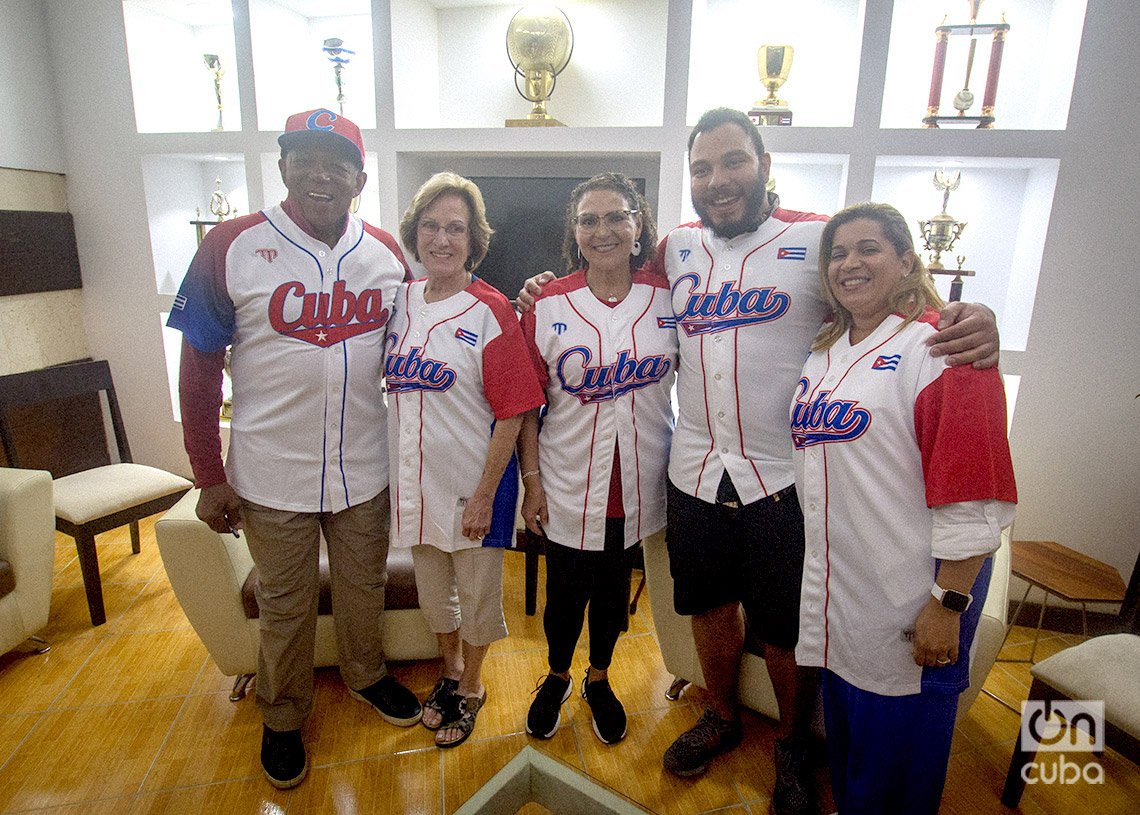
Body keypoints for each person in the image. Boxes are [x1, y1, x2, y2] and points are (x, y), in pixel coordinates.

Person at [518, 107, 1000, 813]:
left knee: (783, 626)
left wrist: (965, 316)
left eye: (733, 162)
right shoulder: (676, 249)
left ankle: (794, 746)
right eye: (704, 168)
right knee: (708, 607)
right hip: (693, 467)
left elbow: (883, 297)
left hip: (786, 476)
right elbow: (607, 269)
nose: (719, 180)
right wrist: (538, 290)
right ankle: (720, 714)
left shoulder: (816, 239)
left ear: (764, 164)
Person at [168, 108, 422, 790]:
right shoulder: (232, 243)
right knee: (285, 601)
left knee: (363, 585)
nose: (319, 173)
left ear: (359, 178)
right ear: (282, 167)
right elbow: (198, 366)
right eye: (303, 158)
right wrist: (207, 474)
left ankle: (367, 676)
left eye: (335, 162)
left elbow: (428, 337)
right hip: (270, 471)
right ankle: (282, 713)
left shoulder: (385, 255)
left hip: (363, 465)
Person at [792, 202, 1016, 813]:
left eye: (868, 249)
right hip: (845, 594)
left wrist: (949, 603)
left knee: (899, 770)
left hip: (914, 596)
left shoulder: (943, 348)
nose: (849, 263)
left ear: (907, 262)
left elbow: (973, 496)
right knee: (851, 754)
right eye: (837, 253)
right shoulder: (827, 351)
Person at [517, 173, 677, 745]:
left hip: (638, 477)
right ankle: (557, 674)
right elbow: (527, 407)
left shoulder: (670, 295)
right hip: (565, 476)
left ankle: (600, 677)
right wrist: (531, 483)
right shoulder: (547, 301)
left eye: (617, 217)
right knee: (565, 592)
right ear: (574, 232)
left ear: (639, 227)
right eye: (589, 219)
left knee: (612, 592)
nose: (603, 230)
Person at [388, 172, 545, 748]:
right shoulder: (402, 302)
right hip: (416, 483)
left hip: (476, 485)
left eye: (456, 228)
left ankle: (473, 684)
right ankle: (449, 669)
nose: (442, 239)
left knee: (477, 597)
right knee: (434, 594)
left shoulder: (490, 309)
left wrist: (486, 493)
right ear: (415, 233)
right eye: (431, 226)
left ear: (474, 239)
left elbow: (514, 409)